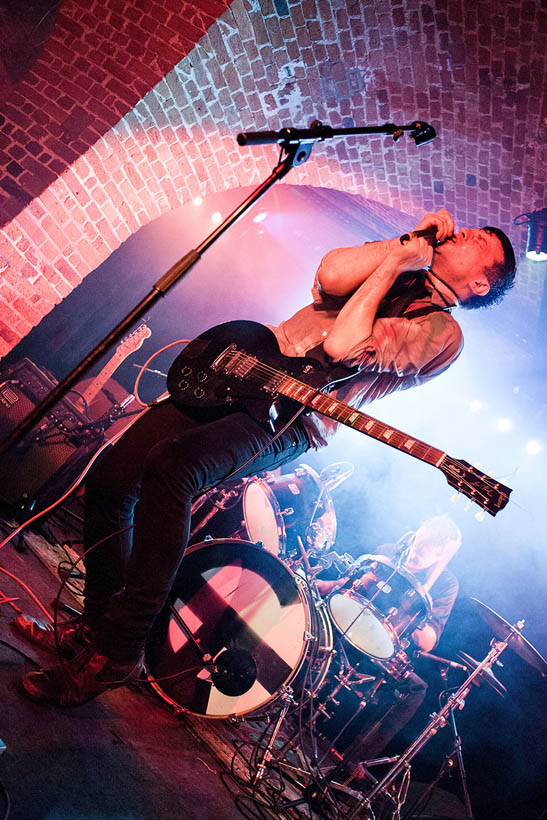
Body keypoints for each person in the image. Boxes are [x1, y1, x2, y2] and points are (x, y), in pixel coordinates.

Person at [13, 208, 515, 706]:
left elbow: (342, 345)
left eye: (480, 240)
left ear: (478, 284)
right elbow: (331, 273)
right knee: (112, 479)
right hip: (246, 370)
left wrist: (394, 265)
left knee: (175, 470)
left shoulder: (443, 334)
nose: (464, 231)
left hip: (292, 417)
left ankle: (120, 648)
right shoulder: (404, 264)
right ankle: (97, 634)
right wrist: (402, 248)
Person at [315, 515, 461, 777]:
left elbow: (428, 642)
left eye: (424, 552)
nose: (415, 553)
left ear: (439, 557)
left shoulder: (445, 584)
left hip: (383, 648)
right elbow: (348, 587)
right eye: (417, 543)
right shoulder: (387, 553)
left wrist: (420, 606)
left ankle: (347, 770)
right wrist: (327, 585)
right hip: (346, 623)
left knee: (415, 689)